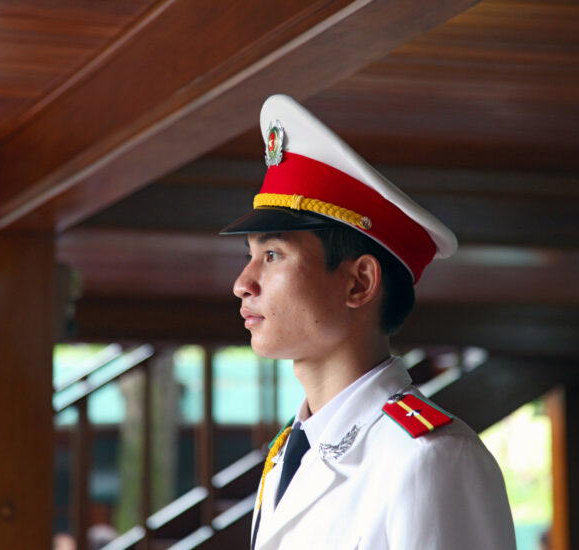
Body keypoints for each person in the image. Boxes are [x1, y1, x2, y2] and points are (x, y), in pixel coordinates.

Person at [220, 94, 516, 549]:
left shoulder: (429, 458)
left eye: (273, 255)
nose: (243, 283)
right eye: (250, 256)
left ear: (359, 282)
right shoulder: (287, 457)